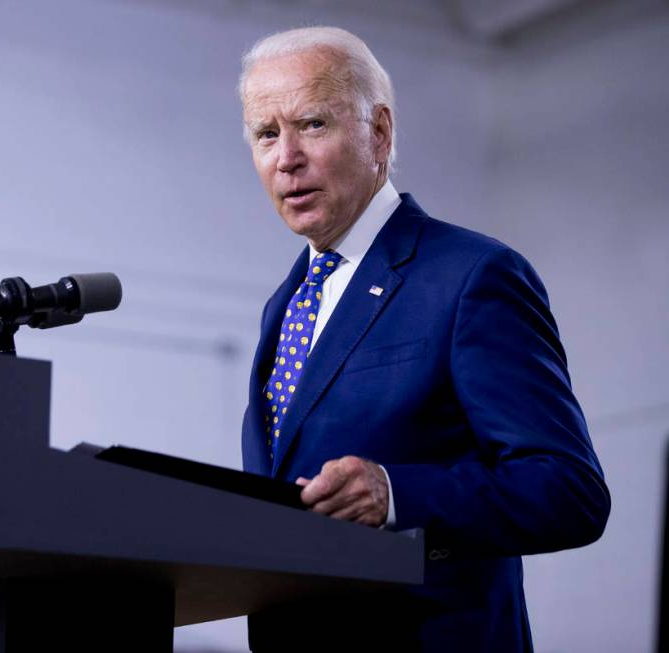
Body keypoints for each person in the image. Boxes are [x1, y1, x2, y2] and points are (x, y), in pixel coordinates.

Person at [238, 26, 609, 652]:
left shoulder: (470, 276)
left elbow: (568, 491)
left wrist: (397, 496)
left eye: (312, 125)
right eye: (267, 134)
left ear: (379, 132)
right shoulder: (287, 301)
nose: (286, 158)